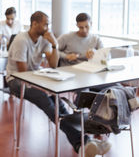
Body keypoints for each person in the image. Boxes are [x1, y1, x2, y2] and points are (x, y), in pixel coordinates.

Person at [6, 11, 111, 156]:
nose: (48, 28)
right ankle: (82, 142)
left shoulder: (44, 40)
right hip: (16, 80)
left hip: (36, 78)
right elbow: (23, 74)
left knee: (58, 102)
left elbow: (53, 64)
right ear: (35, 24)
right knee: (45, 99)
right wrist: (42, 86)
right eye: (45, 24)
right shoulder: (21, 40)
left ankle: (83, 142)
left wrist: (55, 45)